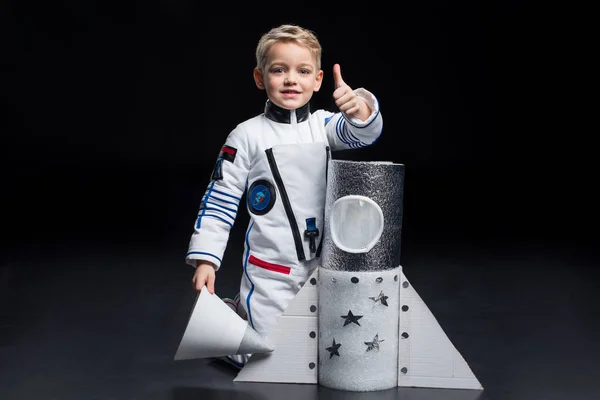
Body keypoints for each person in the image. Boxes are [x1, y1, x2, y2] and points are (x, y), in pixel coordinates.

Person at [186, 23, 383, 367]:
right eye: (279, 70)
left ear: (318, 80)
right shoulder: (246, 135)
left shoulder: (322, 126)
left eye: (303, 71)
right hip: (269, 269)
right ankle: (235, 321)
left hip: (322, 265)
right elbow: (220, 199)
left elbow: (361, 134)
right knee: (261, 357)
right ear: (261, 78)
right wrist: (206, 259)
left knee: (330, 350)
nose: (292, 79)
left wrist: (359, 107)